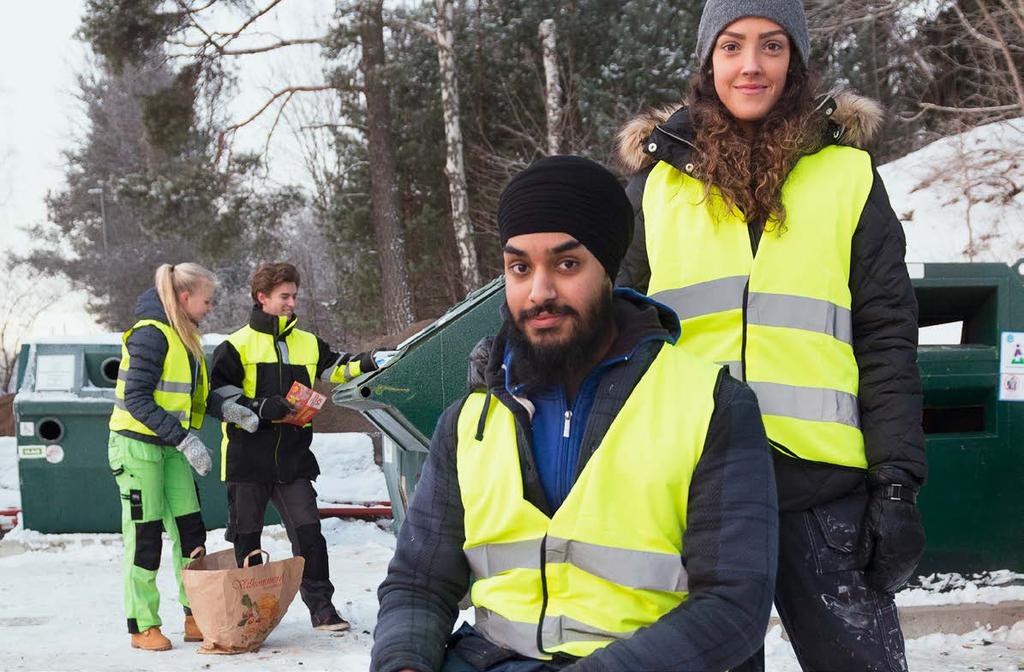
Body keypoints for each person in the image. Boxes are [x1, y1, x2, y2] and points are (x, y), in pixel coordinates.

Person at [372, 155, 778, 672]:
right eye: (520, 267)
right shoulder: (469, 423)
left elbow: (732, 607)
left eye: (566, 265)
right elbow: (417, 582)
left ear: (608, 271)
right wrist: (403, 661)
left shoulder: (712, 405)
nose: (539, 292)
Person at [615, 1, 927, 670]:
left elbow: (887, 337)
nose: (750, 65)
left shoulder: (848, 177)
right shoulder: (658, 185)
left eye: (771, 46)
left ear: (797, 62)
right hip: (696, 496)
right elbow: (616, 339)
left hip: (824, 496)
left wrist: (897, 484)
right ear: (707, 60)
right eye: (731, 46)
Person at [210, 262, 381, 632]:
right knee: (247, 540)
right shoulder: (234, 346)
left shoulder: (307, 342)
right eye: (284, 296)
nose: (292, 302)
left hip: (294, 460)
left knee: (309, 535)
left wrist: (370, 360)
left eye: (294, 296)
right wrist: (260, 407)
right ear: (262, 298)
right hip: (247, 461)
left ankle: (322, 610)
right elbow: (218, 399)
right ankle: (249, 616)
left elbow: (337, 367)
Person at [108, 263, 260, 651]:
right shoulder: (151, 336)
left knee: (190, 531)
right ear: (183, 298)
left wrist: (228, 410)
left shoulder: (185, 337)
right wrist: (186, 441)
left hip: (171, 445)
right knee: (145, 537)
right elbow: (136, 399)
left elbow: (191, 396)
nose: (210, 307)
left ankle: (197, 614)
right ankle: (142, 624)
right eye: (206, 300)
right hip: (138, 446)